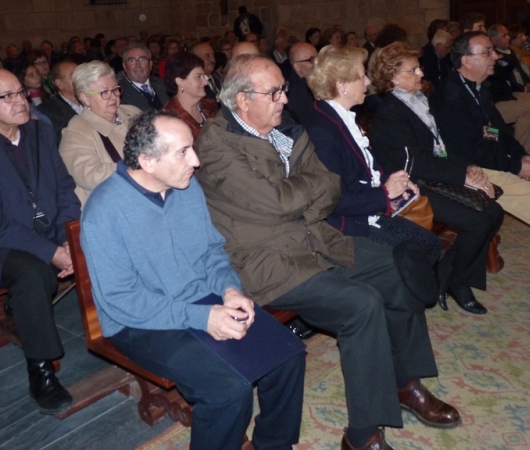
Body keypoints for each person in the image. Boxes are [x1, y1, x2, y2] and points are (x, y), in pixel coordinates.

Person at [196, 55, 461, 450]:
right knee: (361, 304)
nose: (285, 99)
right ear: (242, 99)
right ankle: (362, 434)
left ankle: (403, 382)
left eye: (283, 89)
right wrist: (305, 195)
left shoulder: (284, 129)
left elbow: (329, 183)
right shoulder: (216, 145)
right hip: (267, 262)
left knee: (396, 266)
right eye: (275, 92)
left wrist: (301, 196)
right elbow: (275, 202)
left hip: (316, 240)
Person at [80, 111, 305, 450]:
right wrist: (202, 317)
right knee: (228, 391)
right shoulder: (105, 211)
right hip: (140, 323)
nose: (195, 161)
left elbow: (212, 251)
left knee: (288, 354)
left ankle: (274, 444)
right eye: (183, 152)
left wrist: (229, 290)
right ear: (147, 161)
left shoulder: (184, 187)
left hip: (200, 298)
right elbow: (121, 300)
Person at [430, 31, 530, 273]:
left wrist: (523, 156)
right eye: (487, 52)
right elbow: (469, 150)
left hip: (490, 161)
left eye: (492, 50)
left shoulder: (478, 88)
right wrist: (515, 167)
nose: (495, 56)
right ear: (466, 60)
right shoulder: (450, 96)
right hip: (470, 172)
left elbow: (498, 130)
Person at [368, 42, 504, 314]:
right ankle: (457, 281)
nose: (421, 73)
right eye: (413, 69)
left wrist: (468, 167)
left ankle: (451, 271)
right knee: (476, 222)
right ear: (393, 76)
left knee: (495, 211)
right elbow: (415, 163)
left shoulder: (418, 101)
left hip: (433, 176)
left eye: (419, 68)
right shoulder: (390, 114)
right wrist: (462, 176)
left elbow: (441, 148)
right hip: (410, 187)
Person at [303, 44, 442, 282]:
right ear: (341, 85)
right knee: (422, 246)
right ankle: (401, 299)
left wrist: (394, 179)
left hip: (367, 209)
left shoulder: (341, 117)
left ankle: (409, 295)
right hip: (346, 226)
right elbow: (334, 201)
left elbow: (365, 170)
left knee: (428, 243)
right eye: (361, 76)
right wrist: (386, 193)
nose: (367, 82)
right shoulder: (322, 131)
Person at [0, 68, 81, 414]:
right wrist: (51, 252)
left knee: (97, 244)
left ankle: (121, 335)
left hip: (48, 230)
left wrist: (70, 235)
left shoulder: (40, 132)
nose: (20, 101)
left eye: (20, 93)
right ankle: (40, 371)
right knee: (33, 275)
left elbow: (64, 188)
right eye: (7, 96)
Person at [59, 61, 141, 206]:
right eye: (104, 92)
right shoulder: (76, 132)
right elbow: (91, 176)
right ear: (85, 98)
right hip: (112, 207)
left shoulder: (133, 112)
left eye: (115, 89)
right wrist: (141, 167)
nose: (113, 97)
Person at [486, 24, 530, 155]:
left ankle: (529, 146)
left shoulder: (508, 52)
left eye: (508, 34)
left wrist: (525, 88)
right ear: (493, 39)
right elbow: (499, 74)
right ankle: (519, 153)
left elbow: (509, 73)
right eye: (504, 35)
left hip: (509, 92)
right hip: (497, 98)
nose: (508, 38)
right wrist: (505, 60)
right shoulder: (491, 54)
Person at [164, 52, 219, 143]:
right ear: (180, 81)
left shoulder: (211, 106)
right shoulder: (170, 118)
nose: (205, 82)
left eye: (203, 76)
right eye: (198, 77)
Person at [38, 61, 82, 145]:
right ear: (60, 84)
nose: (80, 78)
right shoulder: (47, 111)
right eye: (73, 75)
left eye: (81, 74)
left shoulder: (93, 100)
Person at [117, 43, 169, 111]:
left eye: (142, 60)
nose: (138, 65)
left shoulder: (162, 84)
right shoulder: (119, 93)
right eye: (132, 61)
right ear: (124, 66)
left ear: (150, 64)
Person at [286, 42, 317, 123]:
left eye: (318, 58)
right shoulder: (296, 95)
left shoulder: (315, 83)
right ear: (297, 67)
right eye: (312, 60)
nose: (318, 63)